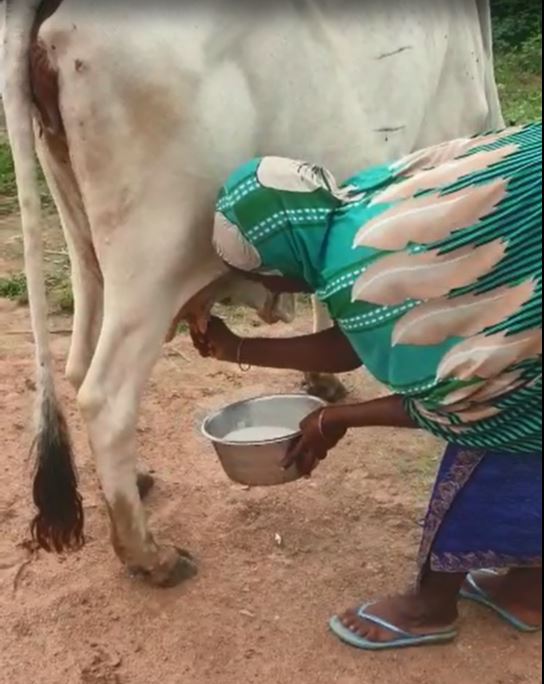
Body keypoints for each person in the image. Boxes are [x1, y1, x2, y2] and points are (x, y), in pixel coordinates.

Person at [190, 122, 542, 650]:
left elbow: (447, 401)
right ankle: (530, 589)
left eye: (263, 276)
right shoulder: (363, 202)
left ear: (281, 263)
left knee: (490, 428)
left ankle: (429, 607)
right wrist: (235, 349)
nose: (268, 288)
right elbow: (356, 341)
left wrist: (334, 419)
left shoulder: (362, 273)